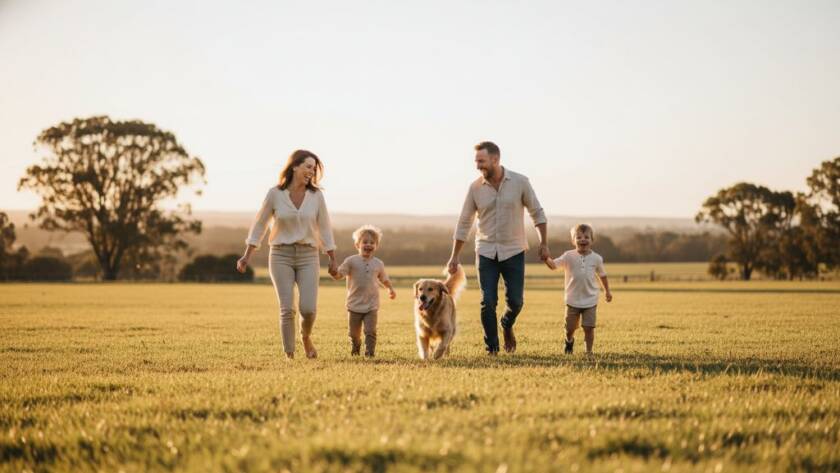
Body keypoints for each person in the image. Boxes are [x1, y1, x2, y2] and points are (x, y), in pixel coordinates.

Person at [447, 141, 550, 355]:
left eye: (482, 161)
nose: (478, 166)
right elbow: (464, 222)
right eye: (476, 161)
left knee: (516, 301)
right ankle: (491, 349)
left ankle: (506, 324)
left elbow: (537, 213)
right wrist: (454, 256)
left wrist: (544, 243)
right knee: (488, 301)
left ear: (496, 159)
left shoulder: (520, 182)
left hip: (514, 250)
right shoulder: (475, 188)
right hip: (485, 251)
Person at [236, 150, 337, 359]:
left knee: (308, 308)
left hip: (309, 255)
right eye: (308, 166)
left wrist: (332, 257)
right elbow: (260, 225)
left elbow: (325, 227)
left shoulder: (316, 196)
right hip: (280, 255)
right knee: (286, 308)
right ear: (294, 166)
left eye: (314, 168)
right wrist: (247, 255)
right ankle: (289, 355)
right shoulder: (275, 194)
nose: (311, 171)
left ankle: (306, 336)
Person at [545, 224, 613, 355]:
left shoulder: (597, 258)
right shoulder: (568, 256)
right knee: (570, 328)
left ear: (592, 240)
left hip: (590, 300)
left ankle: (588, 352)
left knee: (589, 327)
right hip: (572, 300)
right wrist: (546, 258)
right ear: (573, 240)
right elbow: (553, 265)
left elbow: (602, 276)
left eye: (586, 237)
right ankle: (569, 341)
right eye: (579, 237)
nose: (583, 239)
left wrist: (607, 291)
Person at [332, 225, 396, 357]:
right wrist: (334, 272)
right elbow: (339, 275)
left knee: (370, 330)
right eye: (365, 242)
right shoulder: (351, 261)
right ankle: (356, 347)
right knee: (354, 334)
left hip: (371, 305)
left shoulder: (378, 263)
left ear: (376, 246)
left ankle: (369, 353)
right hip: (354, 305)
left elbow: (384, 279)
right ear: (357, 245)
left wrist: (390, 289)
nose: (368, 245)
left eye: (372, 242)